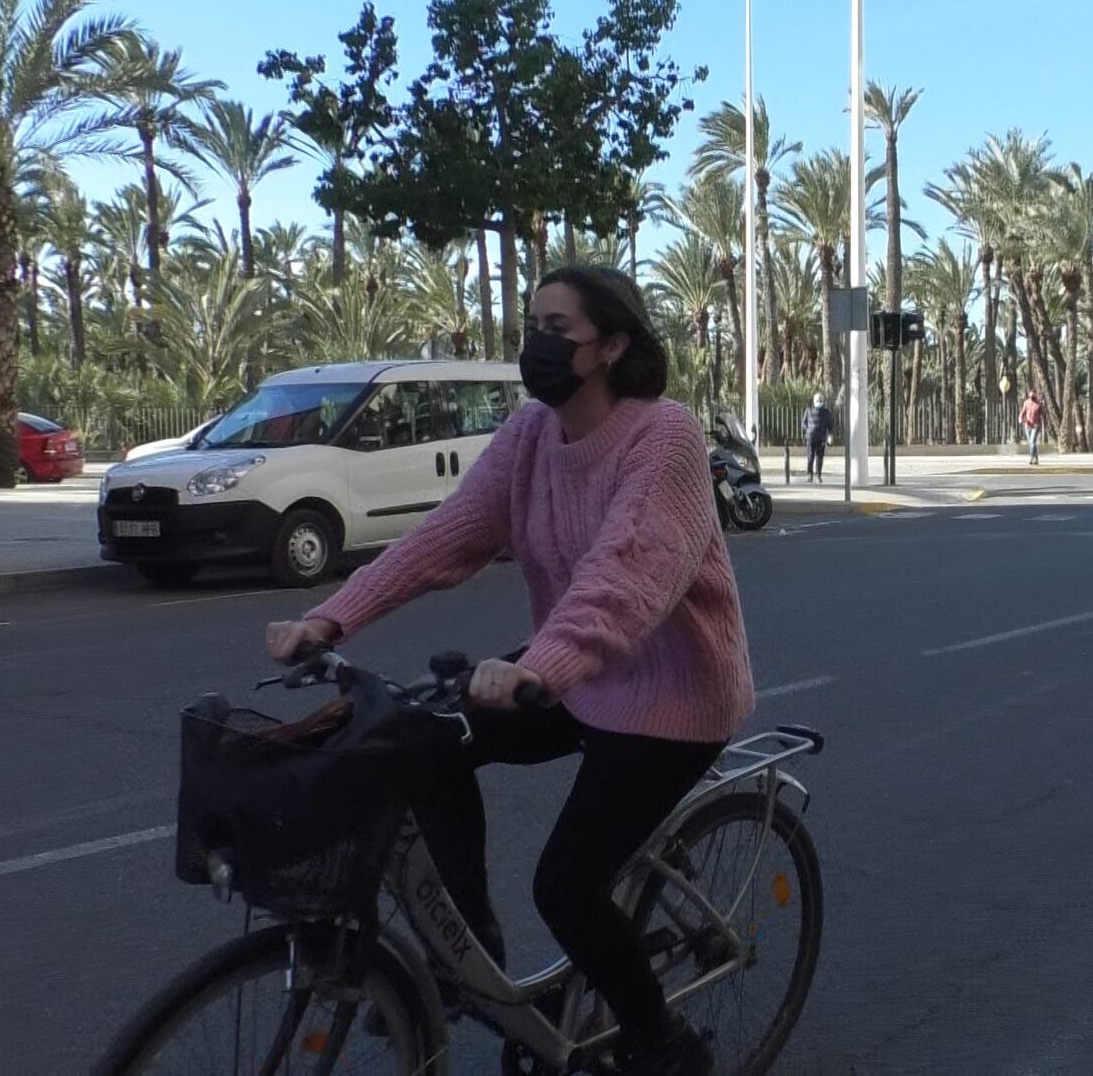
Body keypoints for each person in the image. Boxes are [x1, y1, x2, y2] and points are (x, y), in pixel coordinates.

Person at [265, 266, 747, 1076]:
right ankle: (470, 962)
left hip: (672, 694)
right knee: (424, 743)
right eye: (532, 325)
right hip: (576, 672)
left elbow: (624, 578)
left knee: (565, 887)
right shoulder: (529, 436)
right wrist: (330, 616)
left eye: (558, 329)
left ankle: (660, 1038)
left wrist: (542, 666)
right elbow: (447, 534)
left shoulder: (663, 437)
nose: (537, 344)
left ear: (613, 346)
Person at [801, 392, 834, 483]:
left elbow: (830, 425)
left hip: (821, 438)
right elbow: (803, 422)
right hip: (811, 438)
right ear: (814, 401)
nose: (819, 402)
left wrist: (830, 435)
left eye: (820, 400)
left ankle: (818, 475)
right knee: (810, 456)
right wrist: (807, 429)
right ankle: (809, 474)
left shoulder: (826, 412)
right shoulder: (808, 410)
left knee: (820, 457)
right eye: (817, 400)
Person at [1021, 390, 1046, 465]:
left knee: (1032, 442)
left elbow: (1043, 414)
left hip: (1036, 425)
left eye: (1033, 395)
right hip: (1027, 425)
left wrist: (1045, 423)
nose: (1032, 396)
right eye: (1031, 395)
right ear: (1029, 395)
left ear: (1036, 395)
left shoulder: (1040, 403)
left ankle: (1031, 457)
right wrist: (1020, 418)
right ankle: (1036, 459)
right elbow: (1023, 412)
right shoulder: (1026, 403)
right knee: (1031, 443)